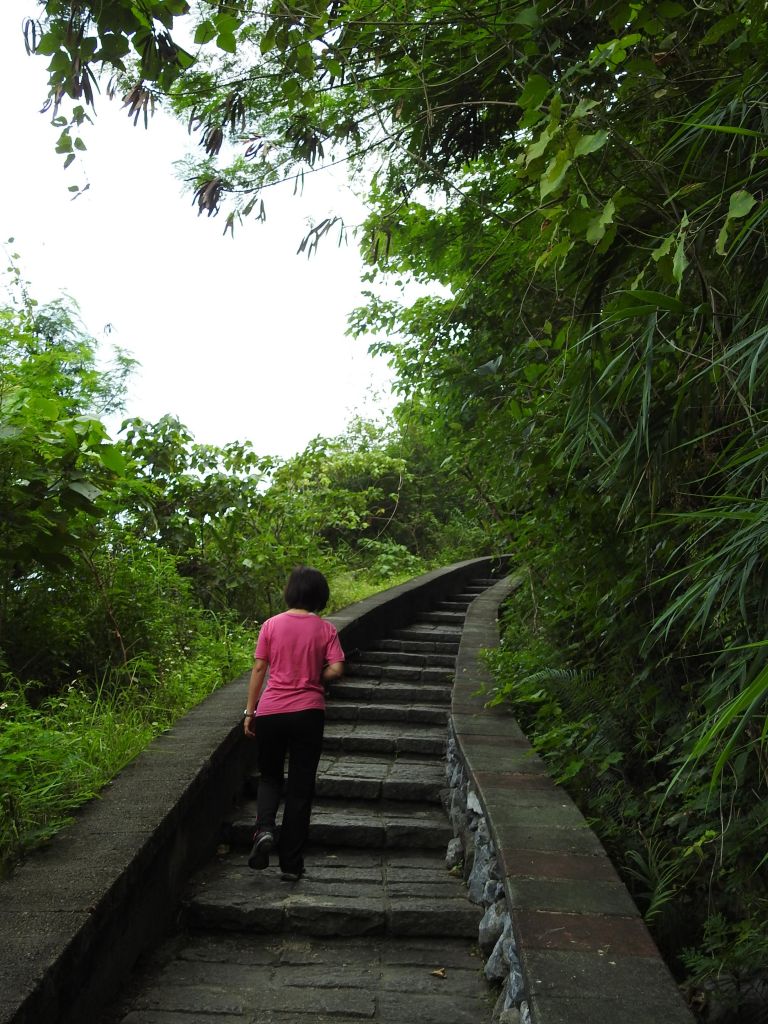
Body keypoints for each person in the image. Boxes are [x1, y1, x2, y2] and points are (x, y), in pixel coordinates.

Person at [243, 566, 344, 881]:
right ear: (320, 596)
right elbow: (338, 668)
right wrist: (317, 676)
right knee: (300, 788)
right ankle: (291, 864)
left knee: (270, 777)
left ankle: (263, 829)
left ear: (290, 592)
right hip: (308, 713)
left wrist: (250, 711)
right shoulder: (325, 629)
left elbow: (260, 668)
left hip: (271, 712)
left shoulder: (271, 625)